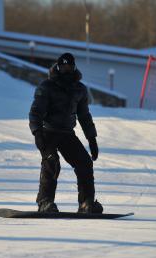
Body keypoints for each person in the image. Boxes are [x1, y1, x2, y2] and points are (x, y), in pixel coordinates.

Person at [29, 52, 103, 214]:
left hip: (67, 134)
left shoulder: (79, 89)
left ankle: (86, 203)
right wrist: (37, 133)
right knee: (52, 161)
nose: (66, 69)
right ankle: (45, 203)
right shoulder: (46, 86)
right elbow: (36, 112)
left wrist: (92, 139)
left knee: (84, 162)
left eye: (69, 66)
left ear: (74, 67)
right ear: (57, 67)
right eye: (63, 66)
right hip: (48, 132)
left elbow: (84, 116)